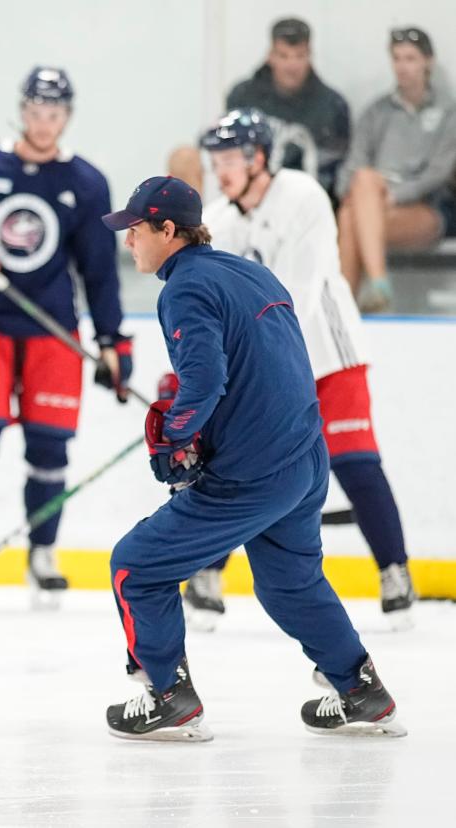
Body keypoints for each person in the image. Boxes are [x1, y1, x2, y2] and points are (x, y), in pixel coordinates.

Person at [100, 176, 404, 741]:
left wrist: (176, 435)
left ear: (169, 231)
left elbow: (208, 377)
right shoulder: (250, 271)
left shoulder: (183, 288)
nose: (129, 242)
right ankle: (363, 691)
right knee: (289, 582)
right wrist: (197, 424)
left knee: (137, 567)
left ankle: (168, 695)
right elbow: (263, 366)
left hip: (252, 473)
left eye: (136, 230)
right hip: (304, 458)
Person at [184, 108, 417, 632]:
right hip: (268, 364)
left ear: (258, 157)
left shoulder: (303, 195)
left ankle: (394, 571)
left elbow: (300, 292)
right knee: (234, 465)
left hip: (328, 351)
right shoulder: (217, 221)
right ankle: (208, 574)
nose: (219, 169)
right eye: (214, 159)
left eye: (229, 158)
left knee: (355, 459)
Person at [0, 67, 133, 601]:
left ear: (66, 118)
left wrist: (114, 340)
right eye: (36, 112)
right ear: (22, 110)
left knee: (49, 451)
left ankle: (42, 554)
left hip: (53, 333)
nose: (44, 124)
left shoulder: (87, 183)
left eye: (55, 114)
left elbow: (99, 271)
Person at [337, 26, 456, 313]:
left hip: (425, 208)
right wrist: (362, 193)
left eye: (410, 58)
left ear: (427, 61)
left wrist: (394, 195)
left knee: (351, 216)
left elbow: (439, 172)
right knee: (360, 189)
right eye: (397, 58)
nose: (402, 67)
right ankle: (374, 287)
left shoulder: (448, 113)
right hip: (373, 202)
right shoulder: (376, 112)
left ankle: (344, 312)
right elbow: (350, 169)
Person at [168, 17, 350, 204]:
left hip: (297, 197)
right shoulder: (244, 95)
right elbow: (218, 144)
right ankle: (193, 231)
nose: (291, 66)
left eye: (299, 56)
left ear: (310, 55)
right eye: (284, 56)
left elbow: (329, 174)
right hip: (242, 182)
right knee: (184, 158)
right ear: (270, 55)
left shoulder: (332, 106)